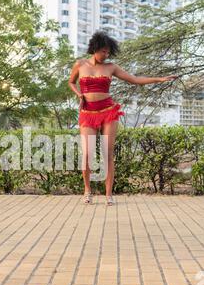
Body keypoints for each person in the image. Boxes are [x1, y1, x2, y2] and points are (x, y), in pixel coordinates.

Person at [68, 30, 178, 206]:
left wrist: (159, 79)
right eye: (103, 51)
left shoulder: (111, 67)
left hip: (108, 111)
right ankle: (87, 191)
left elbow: (134, 79)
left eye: (108, 51)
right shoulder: (80, 65)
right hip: (87, 113)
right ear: (95, 48)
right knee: (87, 153)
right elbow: (71, 82)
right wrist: (79, 95)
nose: (106, 54)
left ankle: (109, 194)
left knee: (107, 153)